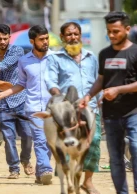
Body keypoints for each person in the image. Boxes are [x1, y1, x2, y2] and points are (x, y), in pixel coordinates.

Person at [79, 12, 137, 194]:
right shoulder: (104, 53)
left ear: (127, 29)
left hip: (135, 111)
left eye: (116, 31)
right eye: (109, 31)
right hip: (111, 114)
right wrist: (88, 95)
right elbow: (102, 80)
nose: (112, 35)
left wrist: (118, 89)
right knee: (115, 158)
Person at [44, 22, 102, 194]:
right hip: (66, 111)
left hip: (90, 108)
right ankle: (68, 178)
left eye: (76, 34)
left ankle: (88, 182)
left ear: (80, 35)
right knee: (68, 145)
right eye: (69, 34)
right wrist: (61, 99)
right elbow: (51, 82)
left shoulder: (91, 57)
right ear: (62, 37)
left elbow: (98, 81)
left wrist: (101, 101)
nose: (73, 37)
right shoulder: (55, 58)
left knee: (94, 142)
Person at [0, 25, 53, 185]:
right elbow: (21, 84)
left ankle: (40, 172)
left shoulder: (57, 59)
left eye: (46, 38)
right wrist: (1, 94)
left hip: (53, 108)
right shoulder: (24, 61)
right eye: (42, 39)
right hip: (32, 107)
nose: (45, 42)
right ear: (33, 41)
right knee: (37, 139)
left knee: (48, 141)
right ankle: (46, 169)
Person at [0, 24, 34, 179]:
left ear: (9, 37)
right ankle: (14, 169)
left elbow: (4, 65)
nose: (3, 41)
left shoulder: (17, 51)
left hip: (20, 101)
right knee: (8, 138)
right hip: (2, 104)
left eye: (5, 38)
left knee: (27, 134)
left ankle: (25, 160)